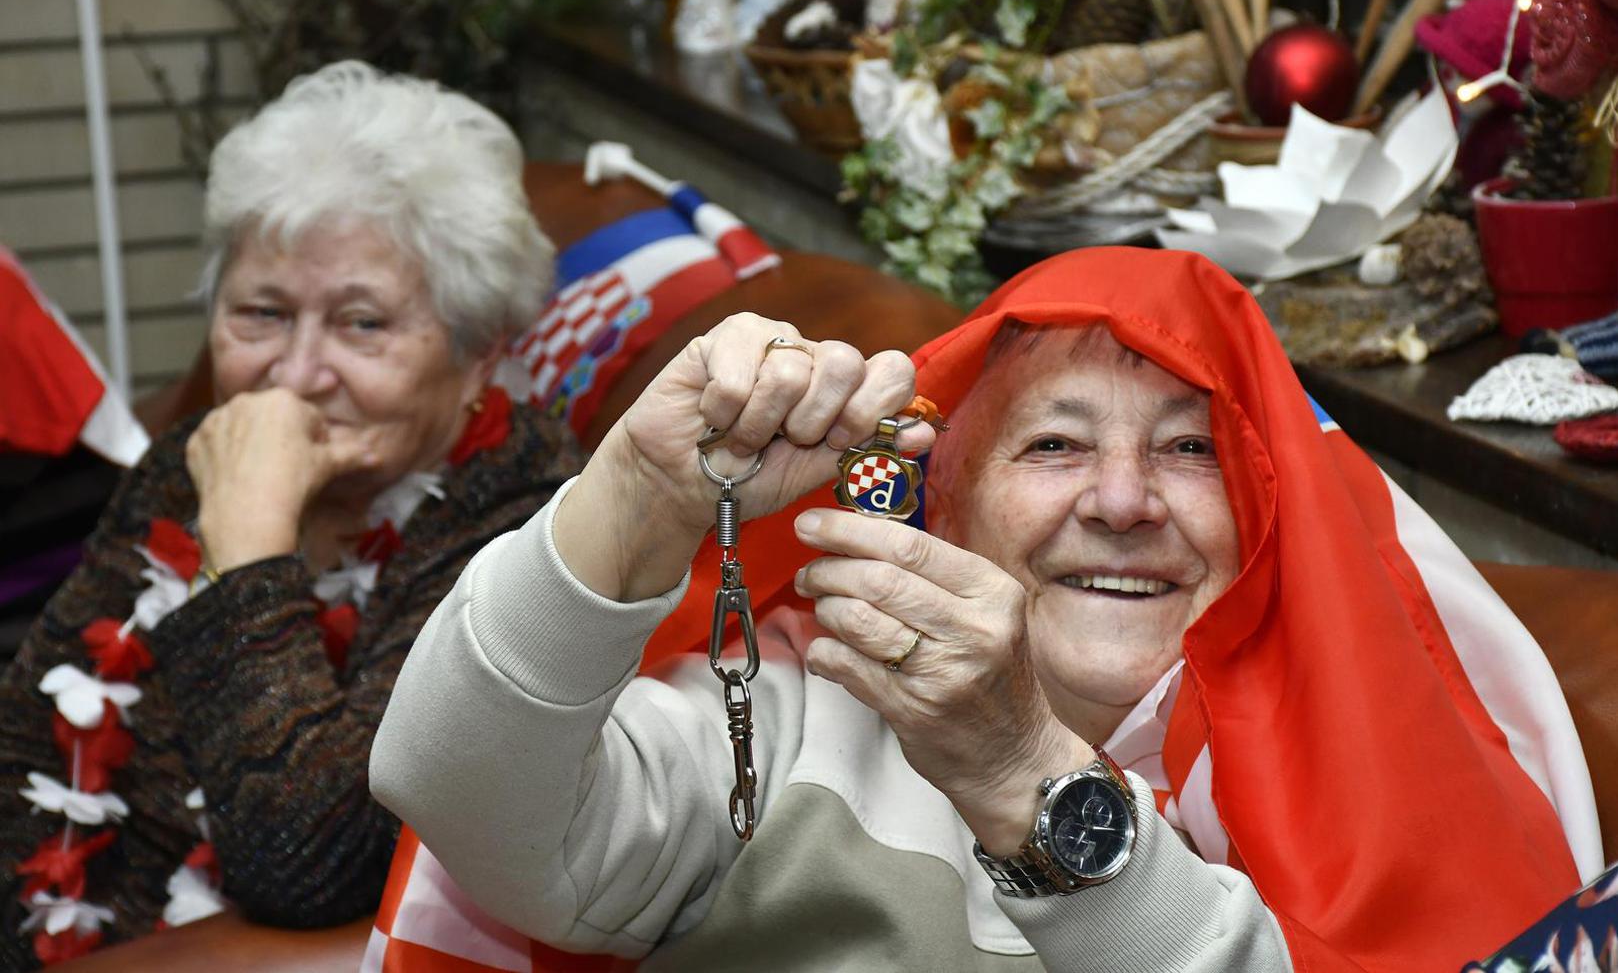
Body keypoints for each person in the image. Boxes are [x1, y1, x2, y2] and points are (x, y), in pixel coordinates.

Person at [371, 247, 1602, 972]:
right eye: (1055, 445)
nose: (1123, 501)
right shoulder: (795, 718)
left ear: (1270, 521)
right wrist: (636, 496)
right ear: (943, 508)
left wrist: (1021, 770)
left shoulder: (1372, 785)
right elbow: (454, 783)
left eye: (1188, 452)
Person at [0, 61, 582, 967]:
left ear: (480, 355)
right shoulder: (201, 449)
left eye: (362, 325)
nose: (295, 374)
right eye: (262, 313)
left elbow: (310, 868)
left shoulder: (518, 528)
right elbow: (32, 743)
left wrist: (246, 548)